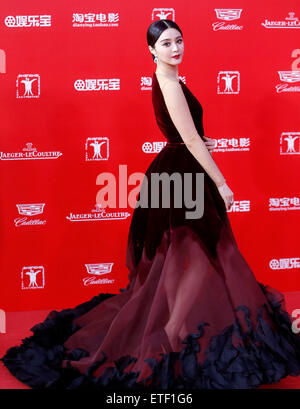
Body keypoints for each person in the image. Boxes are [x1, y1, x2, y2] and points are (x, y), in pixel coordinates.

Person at [1, 19, 300, 390]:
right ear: (151, 51)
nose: (175, 48)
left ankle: (173, 325)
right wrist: (220, 181)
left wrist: (200, 144)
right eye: (166, 44)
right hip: (183, 175)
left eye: (179, 40)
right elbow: (186, 137)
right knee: (199, 251)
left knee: (184, 253)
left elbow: (186, 134)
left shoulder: (169, 79)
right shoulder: (169, 82)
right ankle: (174, 327)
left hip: (178, 169)